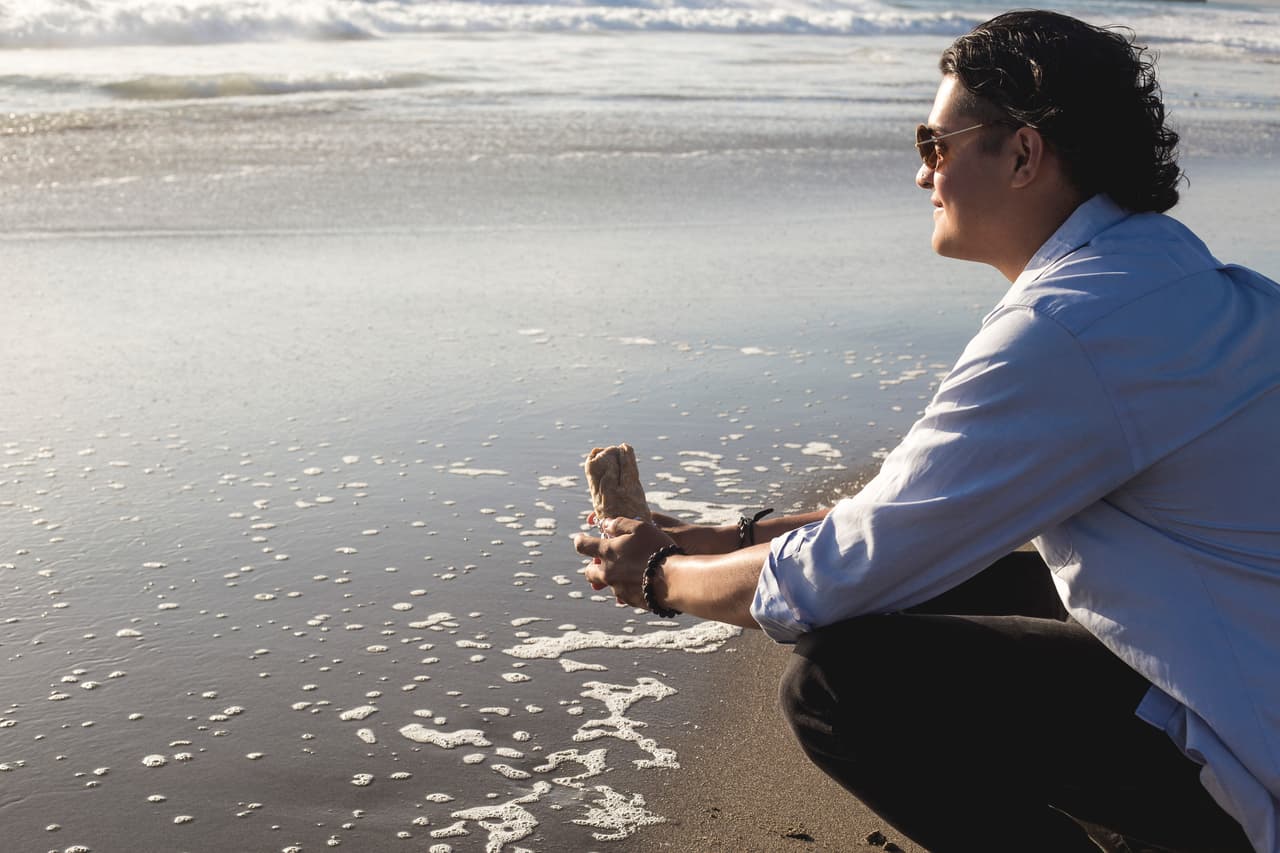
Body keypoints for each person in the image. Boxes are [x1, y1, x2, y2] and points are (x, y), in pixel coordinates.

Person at [573, 9, 1279, 853]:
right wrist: (722, 535)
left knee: (841, 686)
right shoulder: (1169, 278)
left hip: (1245, 742)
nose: (921, 175)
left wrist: (660, 575)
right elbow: (918, 520)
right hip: (1238, 647)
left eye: (935, 144)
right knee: (955, 575)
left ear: (1022, 153)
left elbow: (839, 576)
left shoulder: (1068, 329)